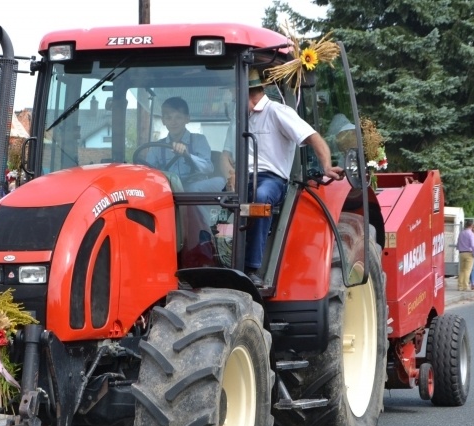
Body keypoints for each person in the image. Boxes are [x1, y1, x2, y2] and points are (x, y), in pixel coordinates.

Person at [226, 69, 342, 286]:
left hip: (271, 179)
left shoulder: (278, 112)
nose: (232, 99)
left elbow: (313, 137)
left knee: (261, 196)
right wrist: (229, 174)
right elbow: (225, 155)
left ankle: (251, 268)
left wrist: (326, 166)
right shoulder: (240, 117)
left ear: (248, 93)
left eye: (234, 94)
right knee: (208, 193)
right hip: (241, 178)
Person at [146, 96, 226, 194]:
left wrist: (188, 156)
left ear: (187, 119)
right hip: (168, 191)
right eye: (169, 118)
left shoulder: (199, 140)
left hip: (194, 192)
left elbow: (208, 168)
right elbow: (148, 174)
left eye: (178, 117)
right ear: (163, 121)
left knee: (221, 182)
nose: (173, 122)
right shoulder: (156, 147)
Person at [456, 219, 474, 291]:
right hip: (469, 253)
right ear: (471, 225)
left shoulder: (461, 233)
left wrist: (459, 249)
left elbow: (458, 242)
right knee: (467, 270)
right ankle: (466, 286)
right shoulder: (471, 234)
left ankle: (460, 286)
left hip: (461, 252)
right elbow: (473, 245)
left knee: (462, 270)